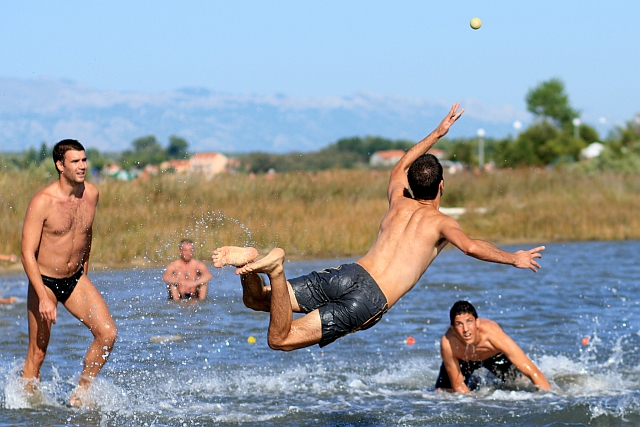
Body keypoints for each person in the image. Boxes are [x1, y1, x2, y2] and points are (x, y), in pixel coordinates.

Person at [212, 103, 545, 351]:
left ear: (412, 184)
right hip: (369, 299)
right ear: (441, 186)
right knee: (281, 339)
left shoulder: (398, 201)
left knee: (259, 302)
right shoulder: (442, 223)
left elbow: (401, 163)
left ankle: (250, 260)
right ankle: (277, 268)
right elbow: (471, 247)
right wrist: (512, 258)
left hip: (350, 273)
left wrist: (437, 132)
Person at [21, 139, 117, 407]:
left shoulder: (92, 194)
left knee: (107, 334)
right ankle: (25, 408)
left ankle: (81, 393)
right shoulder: (43, 201)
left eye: (84, 160)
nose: (82, 166)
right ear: (60, 165)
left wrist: (84, 271)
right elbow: (27, 253)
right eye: (75, 161)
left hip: (74, 279)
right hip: (45, 282)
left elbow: (86, 233)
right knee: (38, 353)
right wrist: (42, 295)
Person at [435, 300, 551, 393]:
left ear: (477, 322)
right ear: (453, 328)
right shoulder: (448, 344)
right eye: (459, 324)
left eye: (469, 321)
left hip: (494, 357)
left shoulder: (493, 335)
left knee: (519, 382)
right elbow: (459, 387)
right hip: (463, 361)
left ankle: (477, 381)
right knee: (441, 392)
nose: (466, 330)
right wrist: (479, 402)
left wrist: (549, 398)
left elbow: (533, 372)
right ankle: (475, 382)